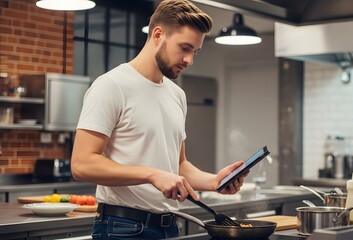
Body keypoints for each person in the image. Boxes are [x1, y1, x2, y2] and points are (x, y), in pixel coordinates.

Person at [71, 0, 248, 239]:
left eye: (194, 51)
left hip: (168, 227)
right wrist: (152, 174)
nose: (189, 60)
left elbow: (178, 166)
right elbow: (82, 164)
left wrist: (215, 180)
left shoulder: (177, 95)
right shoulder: (111, 86)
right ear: (158, 34)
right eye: (184, 48)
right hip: (122, 228)